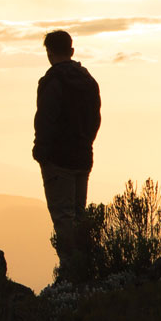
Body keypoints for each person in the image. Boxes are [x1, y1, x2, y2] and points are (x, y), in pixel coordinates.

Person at [34, 30, 102, 282]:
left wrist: (41, 152)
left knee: (63, 216)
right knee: (79, 215)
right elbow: (95, 119)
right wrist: (86, 143)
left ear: (49, 52)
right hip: (82, 157)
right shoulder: (88, 81)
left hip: (57, 160)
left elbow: (45, 121)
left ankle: (70, 274)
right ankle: (84, 269)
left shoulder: (51, 81)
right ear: (71, 51)